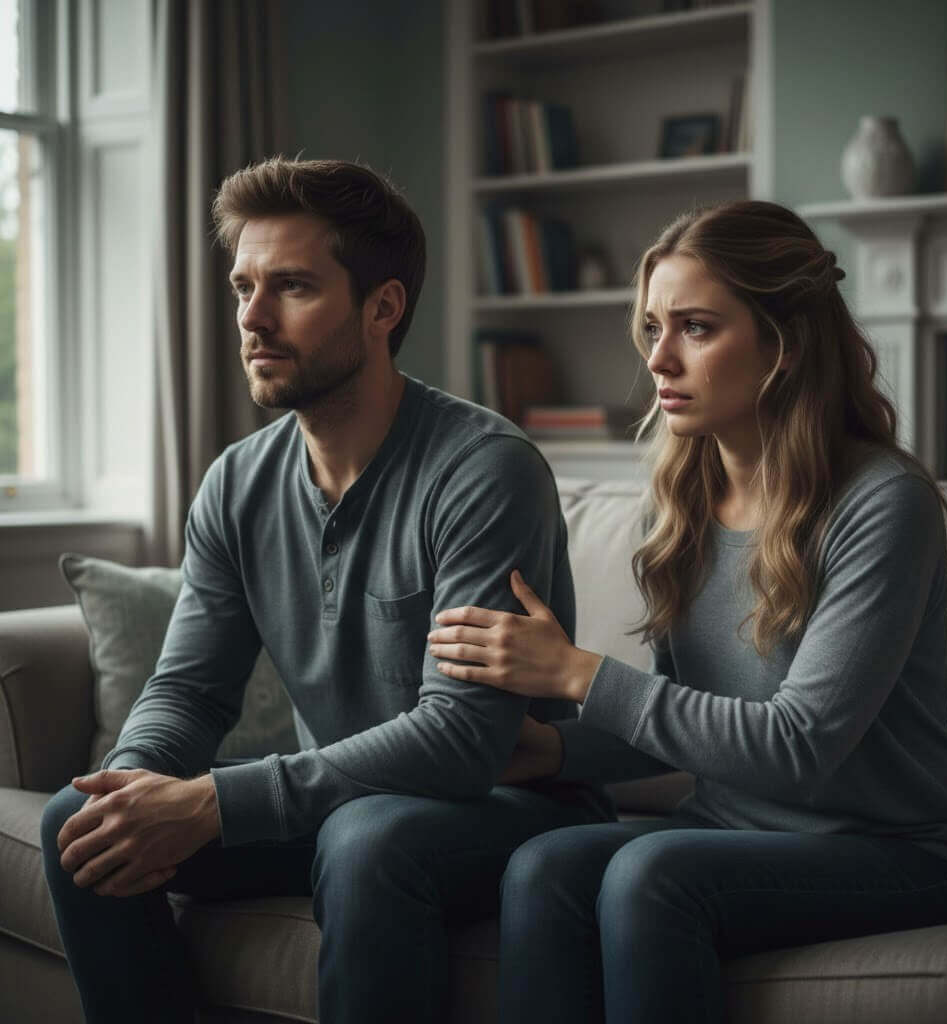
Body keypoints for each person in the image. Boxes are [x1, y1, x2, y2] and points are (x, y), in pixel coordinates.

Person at [40, 156, 610, 1024]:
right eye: (243, 288)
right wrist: (131, 788)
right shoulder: (237, 482)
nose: (252, 321)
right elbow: (190, 690)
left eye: (293, 287)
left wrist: (214, 801)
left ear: (383, 307)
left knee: (368, 838)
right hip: (339, 799)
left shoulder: (484, 472)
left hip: (504, 809)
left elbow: (461, 737)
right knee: (76, 828)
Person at [426, 200, 947, 1024]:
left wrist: (577, 673)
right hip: (734, 829)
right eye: (653, 327)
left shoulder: (881, 503)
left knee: (652, 874)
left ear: (784, 344)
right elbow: (681, 716)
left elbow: (797, 748)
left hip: (897, 850)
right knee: (542, 865)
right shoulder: (683, 502)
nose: (659, 358)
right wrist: (548, 749)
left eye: (695, 327)